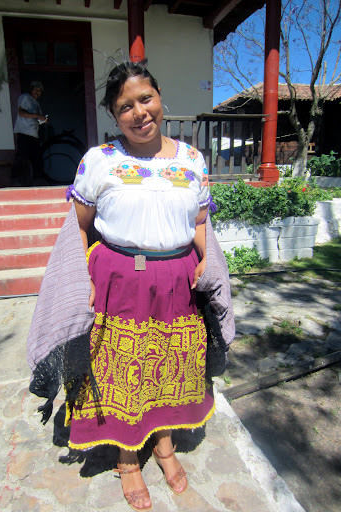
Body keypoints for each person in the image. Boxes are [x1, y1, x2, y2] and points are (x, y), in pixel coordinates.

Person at [27, 62, 234, 512]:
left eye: (146, 99)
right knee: (119, 369)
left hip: (177, 282)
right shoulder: (99, 161)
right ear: (113, 114)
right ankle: (127, 457)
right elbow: (79, 228)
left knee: (170, 364)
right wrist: (79, 280)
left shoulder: (191, 160)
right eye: (126, 106)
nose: (140, 112)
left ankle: (163, 445)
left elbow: (200, 223)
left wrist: (208, 266)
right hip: (118, 279)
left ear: (159, 98)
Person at [12, 80, 47, 186]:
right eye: (36, 90)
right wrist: (37, 116)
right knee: (23, 158)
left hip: (34, 134)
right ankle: (18, 182)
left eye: (40, 91)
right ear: (31, 89)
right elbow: (21, 112)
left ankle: (34, 182)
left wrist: (42, 120)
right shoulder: (25, 97)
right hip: (24, 133)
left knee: (35, 158)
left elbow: (36, 118)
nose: (38, 92)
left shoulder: (36, 103)